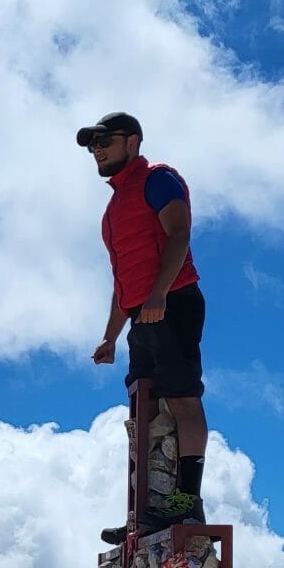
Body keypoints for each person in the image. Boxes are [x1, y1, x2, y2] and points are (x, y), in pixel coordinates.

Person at [80, 112, 207, 542]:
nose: (97, 150)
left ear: (131, 141)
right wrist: (110, 336)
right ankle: (150, 510)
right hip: (141, 314)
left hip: (174, 302)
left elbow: (179, 233)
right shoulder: (114, 208)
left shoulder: (158, 179)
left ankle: (188, 505)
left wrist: (160, 293)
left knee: (183, 397)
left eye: (105, 141)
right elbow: (123, 280)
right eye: (93, 145)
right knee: (146, 409)